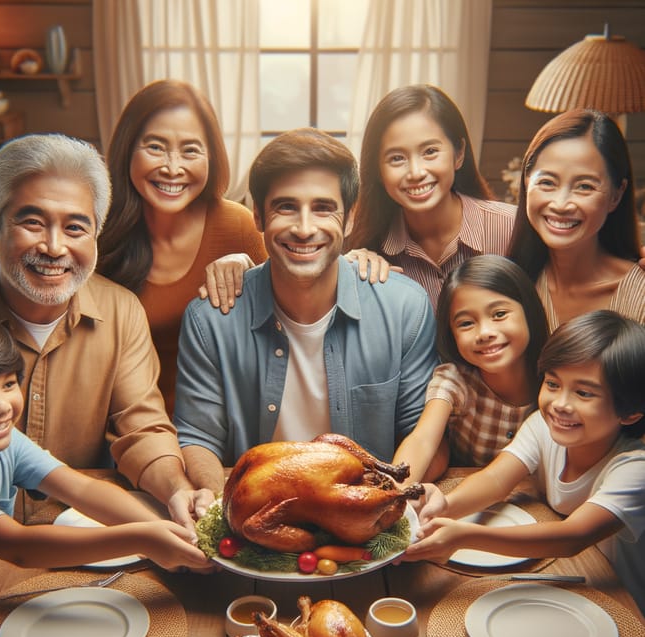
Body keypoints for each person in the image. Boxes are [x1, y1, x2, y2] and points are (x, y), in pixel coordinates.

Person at [0, 133, 210, 531]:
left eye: (75, 228)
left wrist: (176, 490)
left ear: (96, 235)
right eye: (33, 223)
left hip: (82, 535)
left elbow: (141, 429)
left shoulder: (121, 311)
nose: (54, 247)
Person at [174, 128, 439, 495]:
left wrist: (388, 499)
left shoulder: (405, 309)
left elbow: (422, 435)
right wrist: (219, 505)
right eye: (285, 206)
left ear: (349, 219)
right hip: (255, 516)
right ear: (258, 217)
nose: (304, 228)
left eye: (323, 208)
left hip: (366, 518)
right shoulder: (210, 320)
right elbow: (198, 436)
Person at [0, 305, 210, 623]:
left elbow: (80, 488)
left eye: (9, 384)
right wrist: (145, 539)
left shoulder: (2, 442)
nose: (2, 406)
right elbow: (20, 547)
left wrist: (179, 535)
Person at [403, 310, 645, 614]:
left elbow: (573, 537)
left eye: (583, 393)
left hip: (624, 602)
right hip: (574, 581)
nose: (560, 404)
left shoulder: (635, 468)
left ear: (630, 412)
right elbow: (495, 480)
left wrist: (464, 536)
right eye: (553, 384)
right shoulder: (543, 426)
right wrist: (446, 506)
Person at [96, 80, 268, 413]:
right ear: (127, 149)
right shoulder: (97, 229)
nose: (173, 168)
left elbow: (287, 324)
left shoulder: (238, 226)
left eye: (190, 150)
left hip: (218, 429)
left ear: (211, 156)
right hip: (118, 427)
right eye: (155, 147)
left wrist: (252, 271)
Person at [344, 84, 517, 311]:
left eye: (430, 152)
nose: (416, 172)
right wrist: (346, 272)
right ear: (378, 170)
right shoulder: (365, 246)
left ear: (459, 153)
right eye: (397, 158)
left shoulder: (512, 227)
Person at [396, 255, 548, 483]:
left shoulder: (555, 376)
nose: (485, 332)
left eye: (499, 314)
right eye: (466, 323)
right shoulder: (454, 380)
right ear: (451, 333)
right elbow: (422, 440)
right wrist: (394, 495)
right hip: (464, 497)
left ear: (528, 310)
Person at [508, 108, 645, 331]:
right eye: (547, 182)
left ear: (616, 195)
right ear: (525, 180)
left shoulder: (640, 294)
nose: (561, 204)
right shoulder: (511, 288)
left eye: (584, 186)